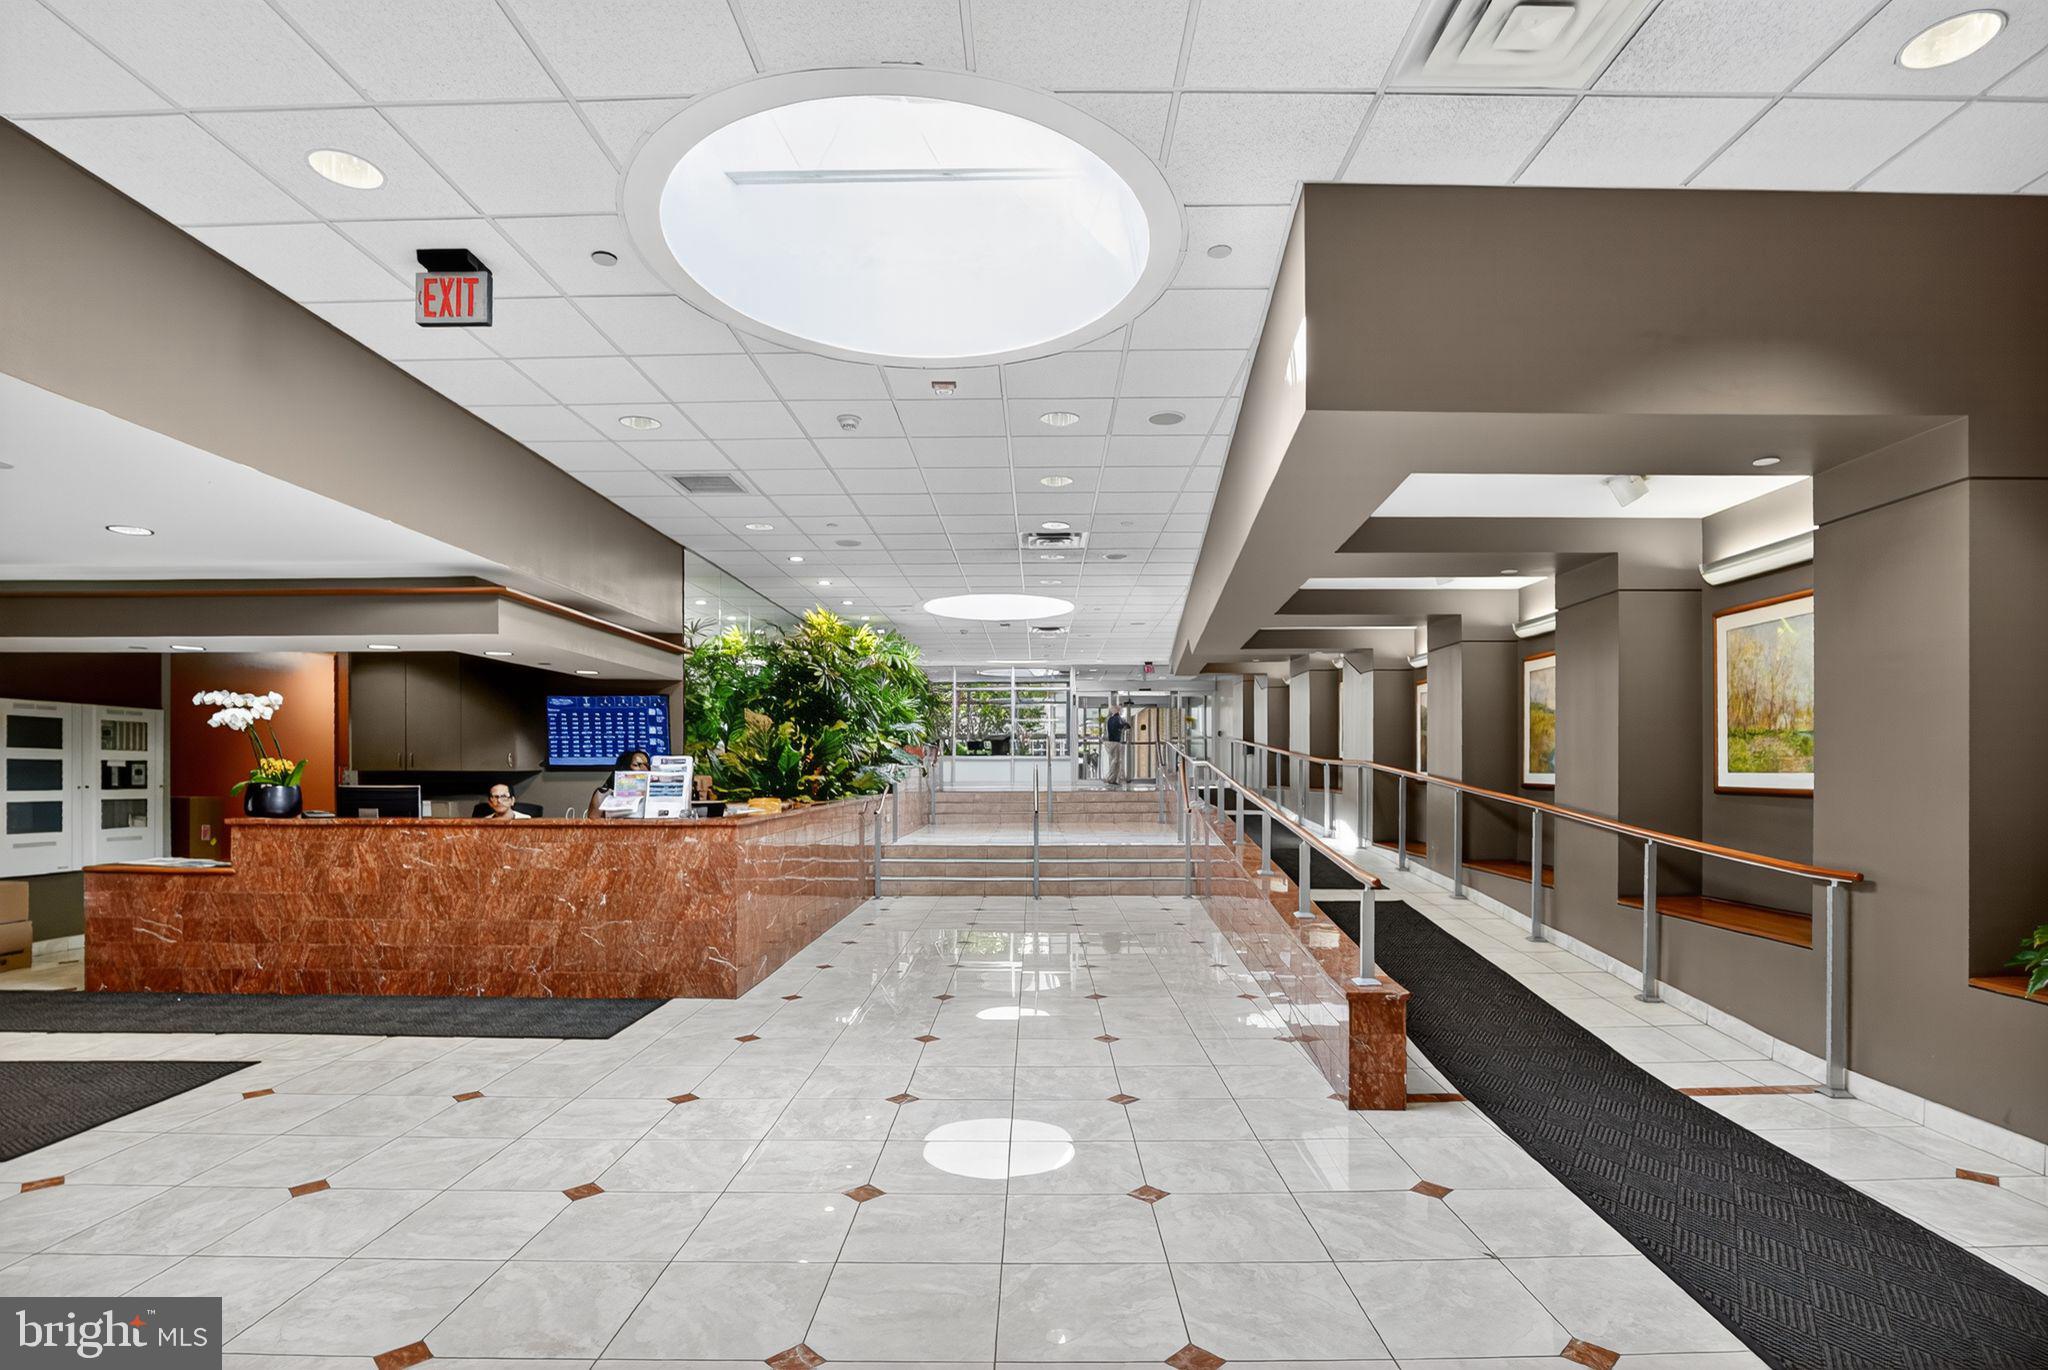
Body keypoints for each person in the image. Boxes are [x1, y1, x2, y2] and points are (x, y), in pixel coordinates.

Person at [587, 748, 651, 819]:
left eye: (646, 766)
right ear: (624, 767)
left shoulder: (652, 795)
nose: (643, 769)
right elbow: (592, 826)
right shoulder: (602, 795)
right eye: (636, 765)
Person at [1104, 704, 1129, 787]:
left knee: (1113, 761)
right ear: (1117, 710)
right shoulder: (1117, 718)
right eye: (1120, 709)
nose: (1121, 711)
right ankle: (1111, 778)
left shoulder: (1109, 719)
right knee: (1116, 761)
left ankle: (1112, 778)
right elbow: (1119, 726)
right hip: (1115, 742)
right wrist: (1125, 725)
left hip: (1110, 742)